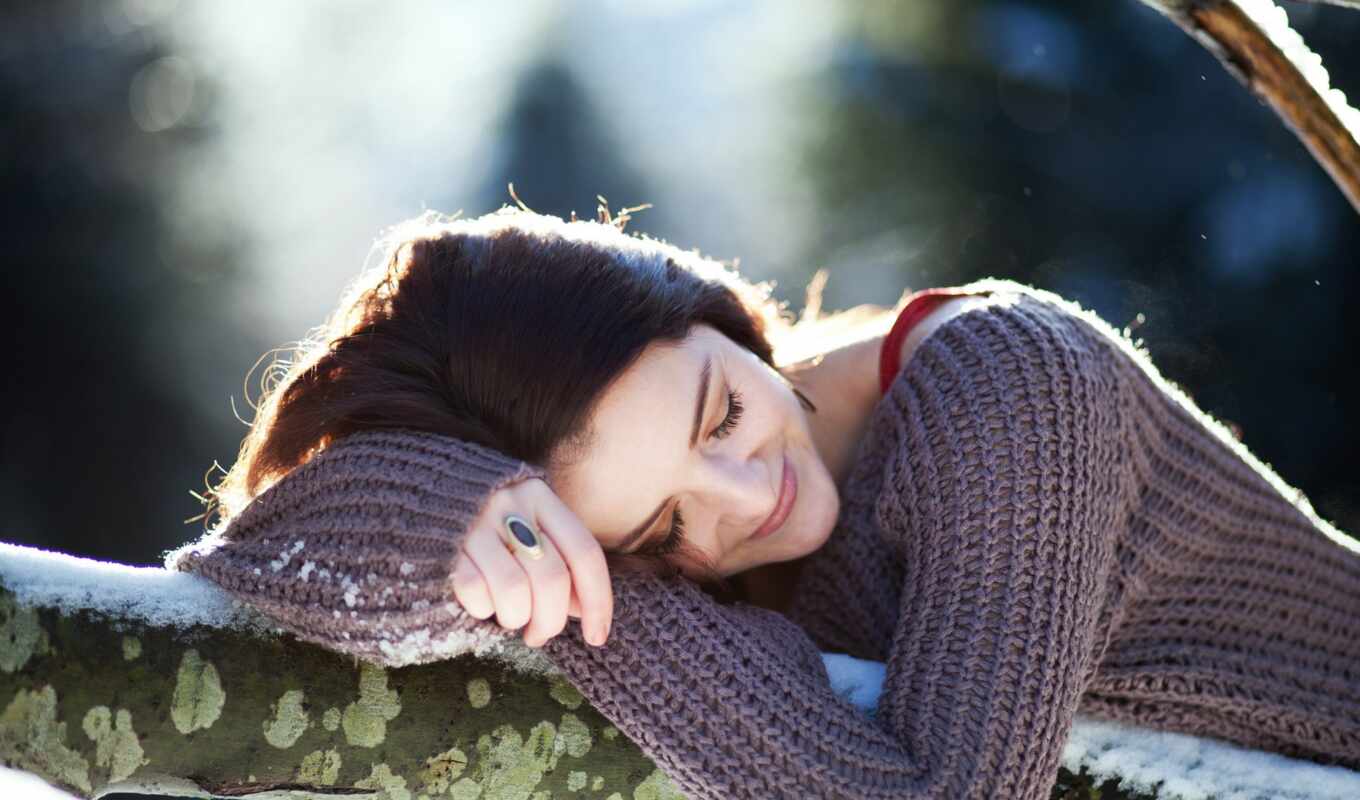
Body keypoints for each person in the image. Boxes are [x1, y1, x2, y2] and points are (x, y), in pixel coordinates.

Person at [168, 205, 1360, 798]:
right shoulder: (668, 531)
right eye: (659, 530)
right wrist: (439, 514)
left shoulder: (1010, 391)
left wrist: (601, 614)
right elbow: (246, 555)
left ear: (712, 314)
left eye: (719, 414)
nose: (743, 500)